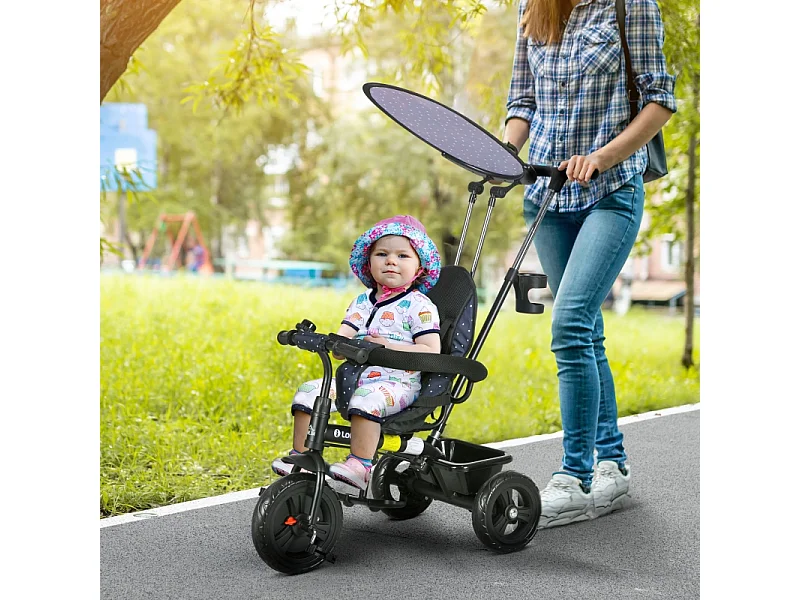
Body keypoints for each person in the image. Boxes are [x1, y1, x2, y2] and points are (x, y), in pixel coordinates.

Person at [501, 0, 676, 527]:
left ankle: (573, 476)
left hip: (610, 190)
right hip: (549, 194)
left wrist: (602, 156)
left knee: (571, 322)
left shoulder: (632, 5)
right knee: (587, 332)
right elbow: (523, 100)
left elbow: (659, 101)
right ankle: (612, 467)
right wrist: (505, 152)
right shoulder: (534, 8)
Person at [271, 215, 442, 490]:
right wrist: (329, 343)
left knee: (366, 400)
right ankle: (301, 456)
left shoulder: (419, 305)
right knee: (308, 392)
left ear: (419, 268)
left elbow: (431, 350)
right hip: (354, 377)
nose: (391, 261)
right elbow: (344, 337)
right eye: (382, 254)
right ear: (369, 261)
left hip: (397, 382)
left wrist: (388, 346)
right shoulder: (362, 302)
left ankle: (362, 465)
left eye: (403, 255)